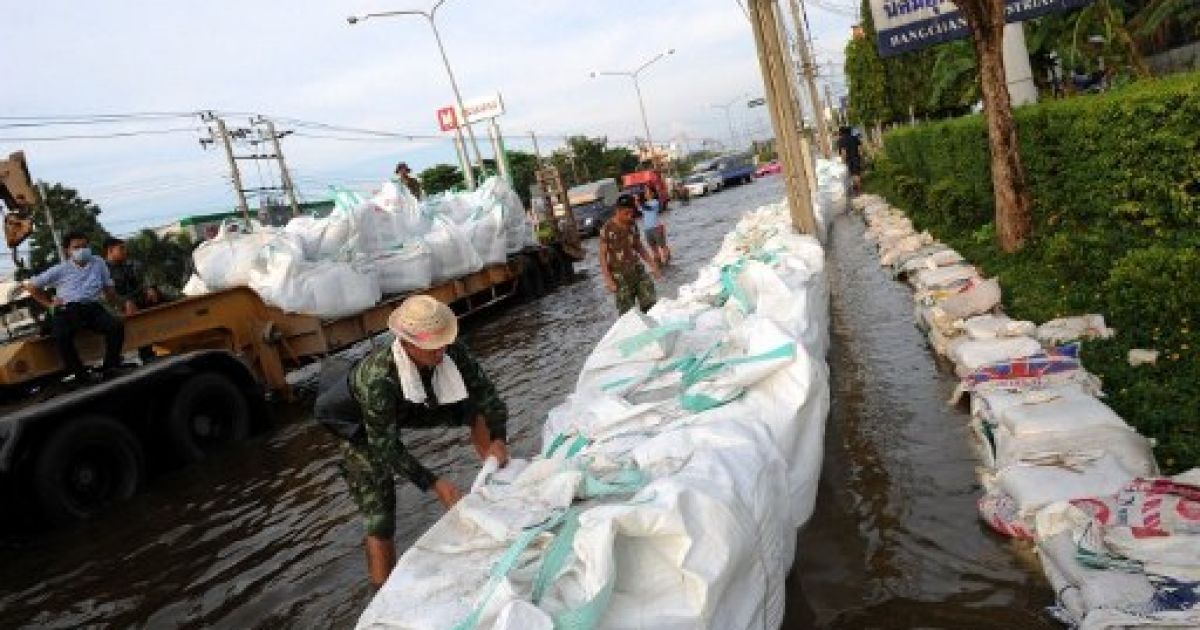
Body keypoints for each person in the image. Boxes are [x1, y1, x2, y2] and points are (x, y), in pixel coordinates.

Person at [316, 295, 509, 590]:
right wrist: (434, 483)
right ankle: (383, 592)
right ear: (406, 343)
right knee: (380, 512)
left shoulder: (449, 352)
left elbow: (488, 396)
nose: (440, 350)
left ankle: (495, 478)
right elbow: (385, 446)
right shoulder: (378, 379)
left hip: (411, 400)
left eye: (442, 342)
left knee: (475, 408)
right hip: (357, 424)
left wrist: (498, 439)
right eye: (432, 346)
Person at [24, 231, 125, 380]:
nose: (82, 250)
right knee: (62, 335)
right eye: (76, 247)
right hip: (68, 309)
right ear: (68, 250)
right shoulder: (61, 269)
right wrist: (50, 304)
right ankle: (80, 374)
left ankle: (110, 367)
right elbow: (32, 286)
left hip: (91, 307)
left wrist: (118, 306)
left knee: (116, 327)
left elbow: (108, 288)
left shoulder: (98, 262)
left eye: (85, 246)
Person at [599, 195, 662, 314]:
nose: (629, 216)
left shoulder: (632, 224)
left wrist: (654, 266)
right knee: (628, 313)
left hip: (637, 270)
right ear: (618, 211)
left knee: (651, 305)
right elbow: (602, 256)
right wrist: (608, 280)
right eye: (626, 213)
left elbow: (639, 247)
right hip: (620, 276)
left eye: (631, 213)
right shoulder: (607, 229)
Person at [104, 237, 160, 362]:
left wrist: (150, 287)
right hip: (116, 306)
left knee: (160, 292)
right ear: (110, 250)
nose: (125, 251)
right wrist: (124, 302)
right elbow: (106, 295)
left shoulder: (129, 264)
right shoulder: (103, 270)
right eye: (121, 248)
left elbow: (144, 276)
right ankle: (142, 354)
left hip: (136, 301)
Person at [639, 188, 671, 266]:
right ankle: (658, 264)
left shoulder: (655, 202)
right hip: (647, 229)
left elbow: (647, 208)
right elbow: (640, 211)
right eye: (646, 193)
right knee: (653, 248)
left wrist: (639, 201)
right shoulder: (644, 204)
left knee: (662, 246)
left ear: (653, 194)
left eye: (649, 193)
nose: (647, 194)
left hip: (656, 227)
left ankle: (668, 261)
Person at [836, 126, 863, 195]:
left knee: (853, 174)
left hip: (849, 159)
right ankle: (857, 189)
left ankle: (858, 190)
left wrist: (843, 160)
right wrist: (861, 156)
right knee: (857, 173)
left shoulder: (841, 140)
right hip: (856, 157)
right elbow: (860, 148)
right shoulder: (854, 138)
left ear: (841, 132)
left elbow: (843, 151)